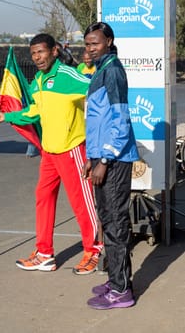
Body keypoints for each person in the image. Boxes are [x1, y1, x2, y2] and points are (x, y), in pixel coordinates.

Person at [0, 33, 103, 275]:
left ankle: (94, 250)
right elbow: (34, 111)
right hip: (50, 152)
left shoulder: (67, 75)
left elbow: (98, 87)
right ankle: (44, 254)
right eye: (33, 53)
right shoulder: (39, 81)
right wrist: (8, 116)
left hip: (72, 149)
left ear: (54, 51)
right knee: (43, 197)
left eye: (41, 52)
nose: (37, 57)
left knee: (81, 203)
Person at [82, 22, 139, 309]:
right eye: (87, 44)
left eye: (95, 43)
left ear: (109, 42)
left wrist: (103, 160)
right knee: (108, 221)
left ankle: (121, 291)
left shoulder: (113, 72)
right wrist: (91, 159)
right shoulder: (101, 70)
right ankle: (117, 278)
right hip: (101, 157)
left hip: (114, 160)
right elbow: (97, 122)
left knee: (116, 224)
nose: (89, 49)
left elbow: (119, 121)